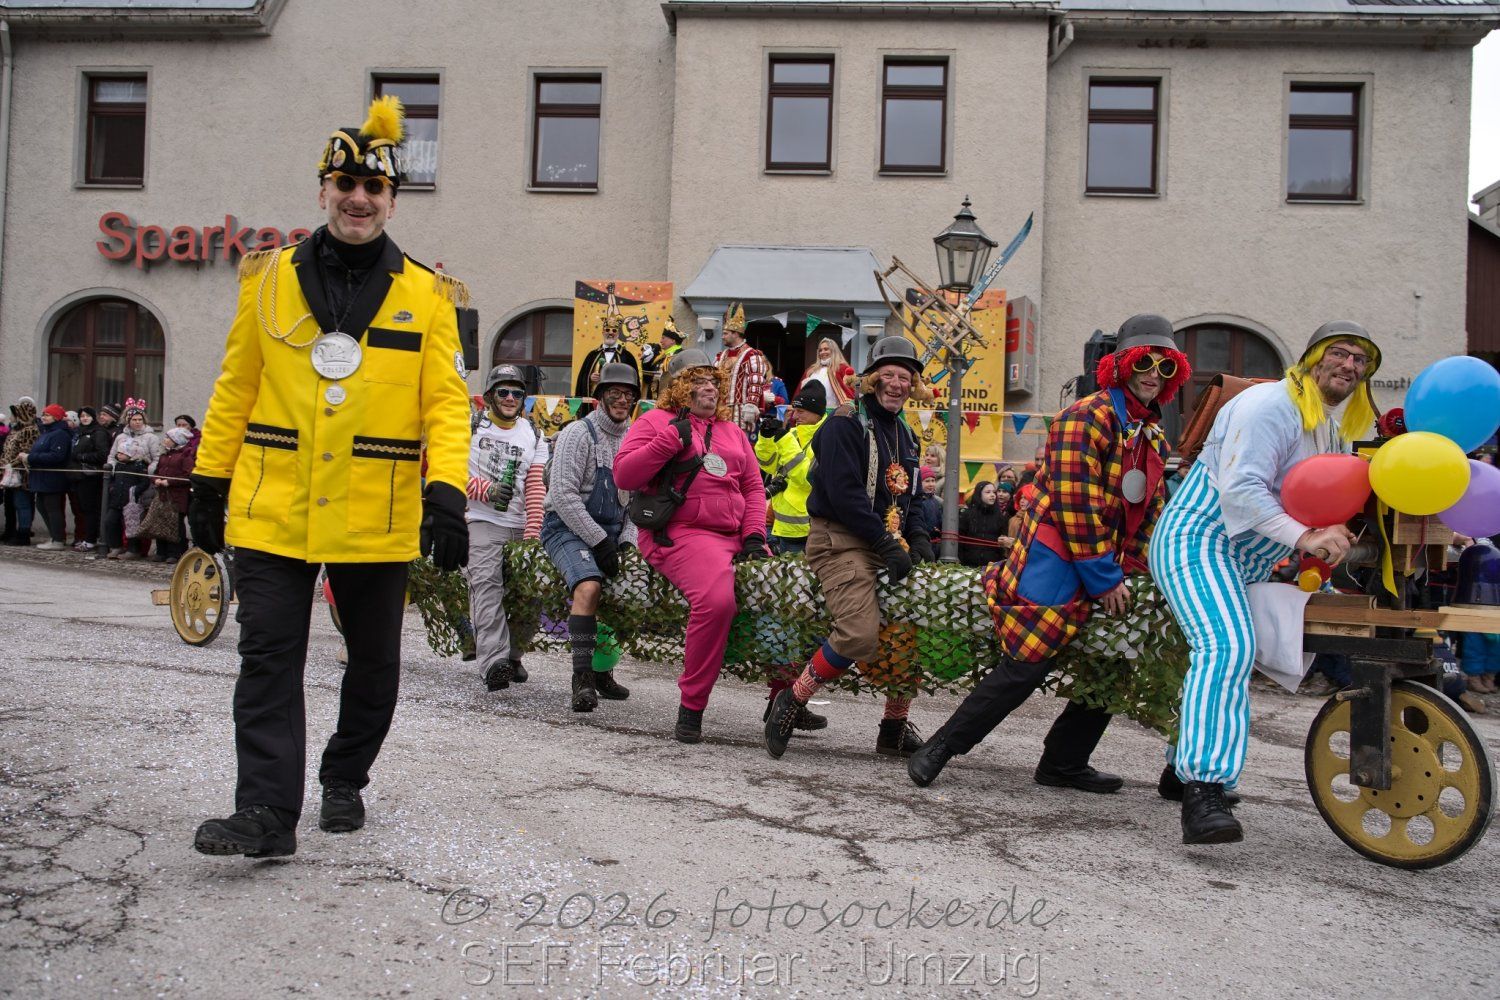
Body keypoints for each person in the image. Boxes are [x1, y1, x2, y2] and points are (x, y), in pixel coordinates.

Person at [187, 96, 472, 860]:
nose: (358, 198)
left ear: (392, 200)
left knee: (374, 665)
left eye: (374, 187)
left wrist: (446, 493)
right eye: (345, 183)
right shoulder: (267, 278)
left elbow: (446, 406)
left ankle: (344, 776)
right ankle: (265, 811)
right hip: (273, 503)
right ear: (323, 189)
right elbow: (236, 387)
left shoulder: (428, 294)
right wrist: (208, 478)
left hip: (375, 510)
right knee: (267, 654)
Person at [907, 315, 1189, 799]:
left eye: (1165, 367)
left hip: (1111, 562)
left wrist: (1138, 570)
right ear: (1122, 365)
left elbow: (1151, 510)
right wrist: (1105, 577)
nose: (1153, 375)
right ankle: (941, 747)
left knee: (1114, 658)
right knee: (1027, 663)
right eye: (1144, 362)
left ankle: (1064, 761)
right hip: (1057, 555)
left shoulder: (1152, 435)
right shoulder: (1085, 416)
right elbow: (1075, 504)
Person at [1149, 320, 1380, 845]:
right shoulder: (1270, 405)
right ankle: (1204, 791)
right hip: (1200, 539)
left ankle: (1178, 770)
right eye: (1340, 353)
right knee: (1226, 647)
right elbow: (1242, 491)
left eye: (1361, 360)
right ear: (1312, 356)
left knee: (1233, 654)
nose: (1350, 366)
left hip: (1251, 557)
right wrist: (1306, 537)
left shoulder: (1331, 428)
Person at [764, 336, 934, 759]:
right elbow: (843, 494)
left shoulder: (907, 433)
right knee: (858, 634)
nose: (896, 384)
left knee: (912, 626)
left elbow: (912, 496)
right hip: (839, 540)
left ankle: (893, 728)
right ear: (872, 379)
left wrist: (918, 537)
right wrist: (883, 541)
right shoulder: (844, 423)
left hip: (886, 541)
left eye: (905, 377)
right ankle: (792, 700)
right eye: (888, 375)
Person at [616, 349, 769, 743]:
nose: (710, 388)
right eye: (700, 380)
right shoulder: (655, 421)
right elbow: (624, 475)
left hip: (736, 534)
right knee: (717, 601)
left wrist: (755, 535)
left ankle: (786, 698)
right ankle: (692, 706)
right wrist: (669, 441)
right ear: (680, 387)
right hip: (682, 533)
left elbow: (753, 487)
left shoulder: (731, 431)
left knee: (780, 596)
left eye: (714, 381)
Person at [541, 362, 639, 715]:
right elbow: (563, 495)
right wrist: (599, 541)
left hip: (611, 532)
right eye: (615, 393)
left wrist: (627, 540)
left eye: (628, 394)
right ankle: (581, 678)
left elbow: (636, 502)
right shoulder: (577, 433)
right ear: (600, 396)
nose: (622, 400)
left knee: (625, 590)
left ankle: (602, 671)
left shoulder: (634, 439)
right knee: (589, 587)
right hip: (565, 526)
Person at [466, 363, 548, 692]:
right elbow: (449, 474)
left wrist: (533, 531)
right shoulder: (471, 427)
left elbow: (535, 486)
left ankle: (512, 656)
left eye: (517, 392)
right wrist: (484, 490)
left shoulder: (534, 435)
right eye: (503, 391)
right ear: (489, 396)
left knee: (533, 594)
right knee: (488, 587)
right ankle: (493, 663)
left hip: (519, 525)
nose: (510, 398)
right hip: (481, 520)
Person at [753, 380, 826, 557]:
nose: (794, 416)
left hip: (808, 529)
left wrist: (784, 441)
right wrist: (766, 438)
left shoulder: (825, 437)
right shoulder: (793, 434)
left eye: (800, 411)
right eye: (794, 411)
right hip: (783, 526)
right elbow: (769, 465)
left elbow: (806, 478)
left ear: (816, 413)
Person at [103, 402, 161, 560]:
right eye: (134, 419)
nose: (137, 422)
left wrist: (148, 472)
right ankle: (116, 546)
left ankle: (134, 549)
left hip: (138, 480)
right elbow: (112, 455)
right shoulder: (121, 437)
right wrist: (112, 470)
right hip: (120, 479)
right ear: (128, 420)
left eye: (139, 419)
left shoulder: (150, 437)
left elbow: (156, 458)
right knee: (111, 519)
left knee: (133, 518)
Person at [574, 284, 642, 398]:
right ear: (602, 332)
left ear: (618, 334)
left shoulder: (627, 357)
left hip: (617, 402)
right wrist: (590, 378)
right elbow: (581, 381)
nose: (610, 333)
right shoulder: (592, 356)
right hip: (595, 401)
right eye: (607, 330)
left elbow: (634, 383)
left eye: (614, 330)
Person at [716, 302, 771, 433]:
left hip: (740, 413)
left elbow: (756, 382)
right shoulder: (721, 356)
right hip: (720, 410)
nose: (722, 337)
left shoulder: (751, 355)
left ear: (735, 334)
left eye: (725, 333)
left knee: (738, 442)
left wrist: (751, 405)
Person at [25, 404, 74, 549]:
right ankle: (54, 537)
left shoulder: (60, 434)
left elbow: (56, 456)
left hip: (53, 478)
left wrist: (30, 457)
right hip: (41, 476)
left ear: (56, 417)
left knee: (52, 508)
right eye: (43, 414)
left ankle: (58, 540)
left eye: (47, 415)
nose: (43, 417)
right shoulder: (47, 432)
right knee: (41, 506)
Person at [151, 426, 197, 561]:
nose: (165, 440)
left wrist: (170, 482)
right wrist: (156, 479)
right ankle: (161, 551)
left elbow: (188, 476)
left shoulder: (185, 456)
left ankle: (176, 552)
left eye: (168, 438)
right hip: (162, 495)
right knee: (161, 522)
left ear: (176, 441)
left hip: (177, 496)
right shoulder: (164, 455)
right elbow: (156, 472)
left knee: (176, 524)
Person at [2, 398, 40, 546]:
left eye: (14, 414)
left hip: (22, 474)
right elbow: (7, 450)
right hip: (9, 472)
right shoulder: (15, 430)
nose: (11, 417)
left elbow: (26, 452)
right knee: (10, 504)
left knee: (22, 503)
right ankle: (10, 531)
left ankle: (24, 533)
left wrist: (10, 465)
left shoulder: (30, 430)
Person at [956, 481, 1008, 568]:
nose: (992, 495)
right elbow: (960, 541)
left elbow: (1001, 544)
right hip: (968, 565)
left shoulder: (1000, 517)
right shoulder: (967, 515)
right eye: (988, 492)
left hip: (991, 566)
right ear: (979, 494)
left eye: (994, 492)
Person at [796, 337, 857, 408]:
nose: (822, 352)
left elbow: (852, 391)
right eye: (820, 350)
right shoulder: (811, 371)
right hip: (812, 411)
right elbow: (799, 392)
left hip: (835, 411)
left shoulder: (842, 368)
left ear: (834, 350)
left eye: (826, 349)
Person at [639, 316, 683, 398]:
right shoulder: (662, 358)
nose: (660, 341)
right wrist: (646, 361)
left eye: (663, 338)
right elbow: (648, 380)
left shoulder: (680, 357)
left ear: (673, 340)